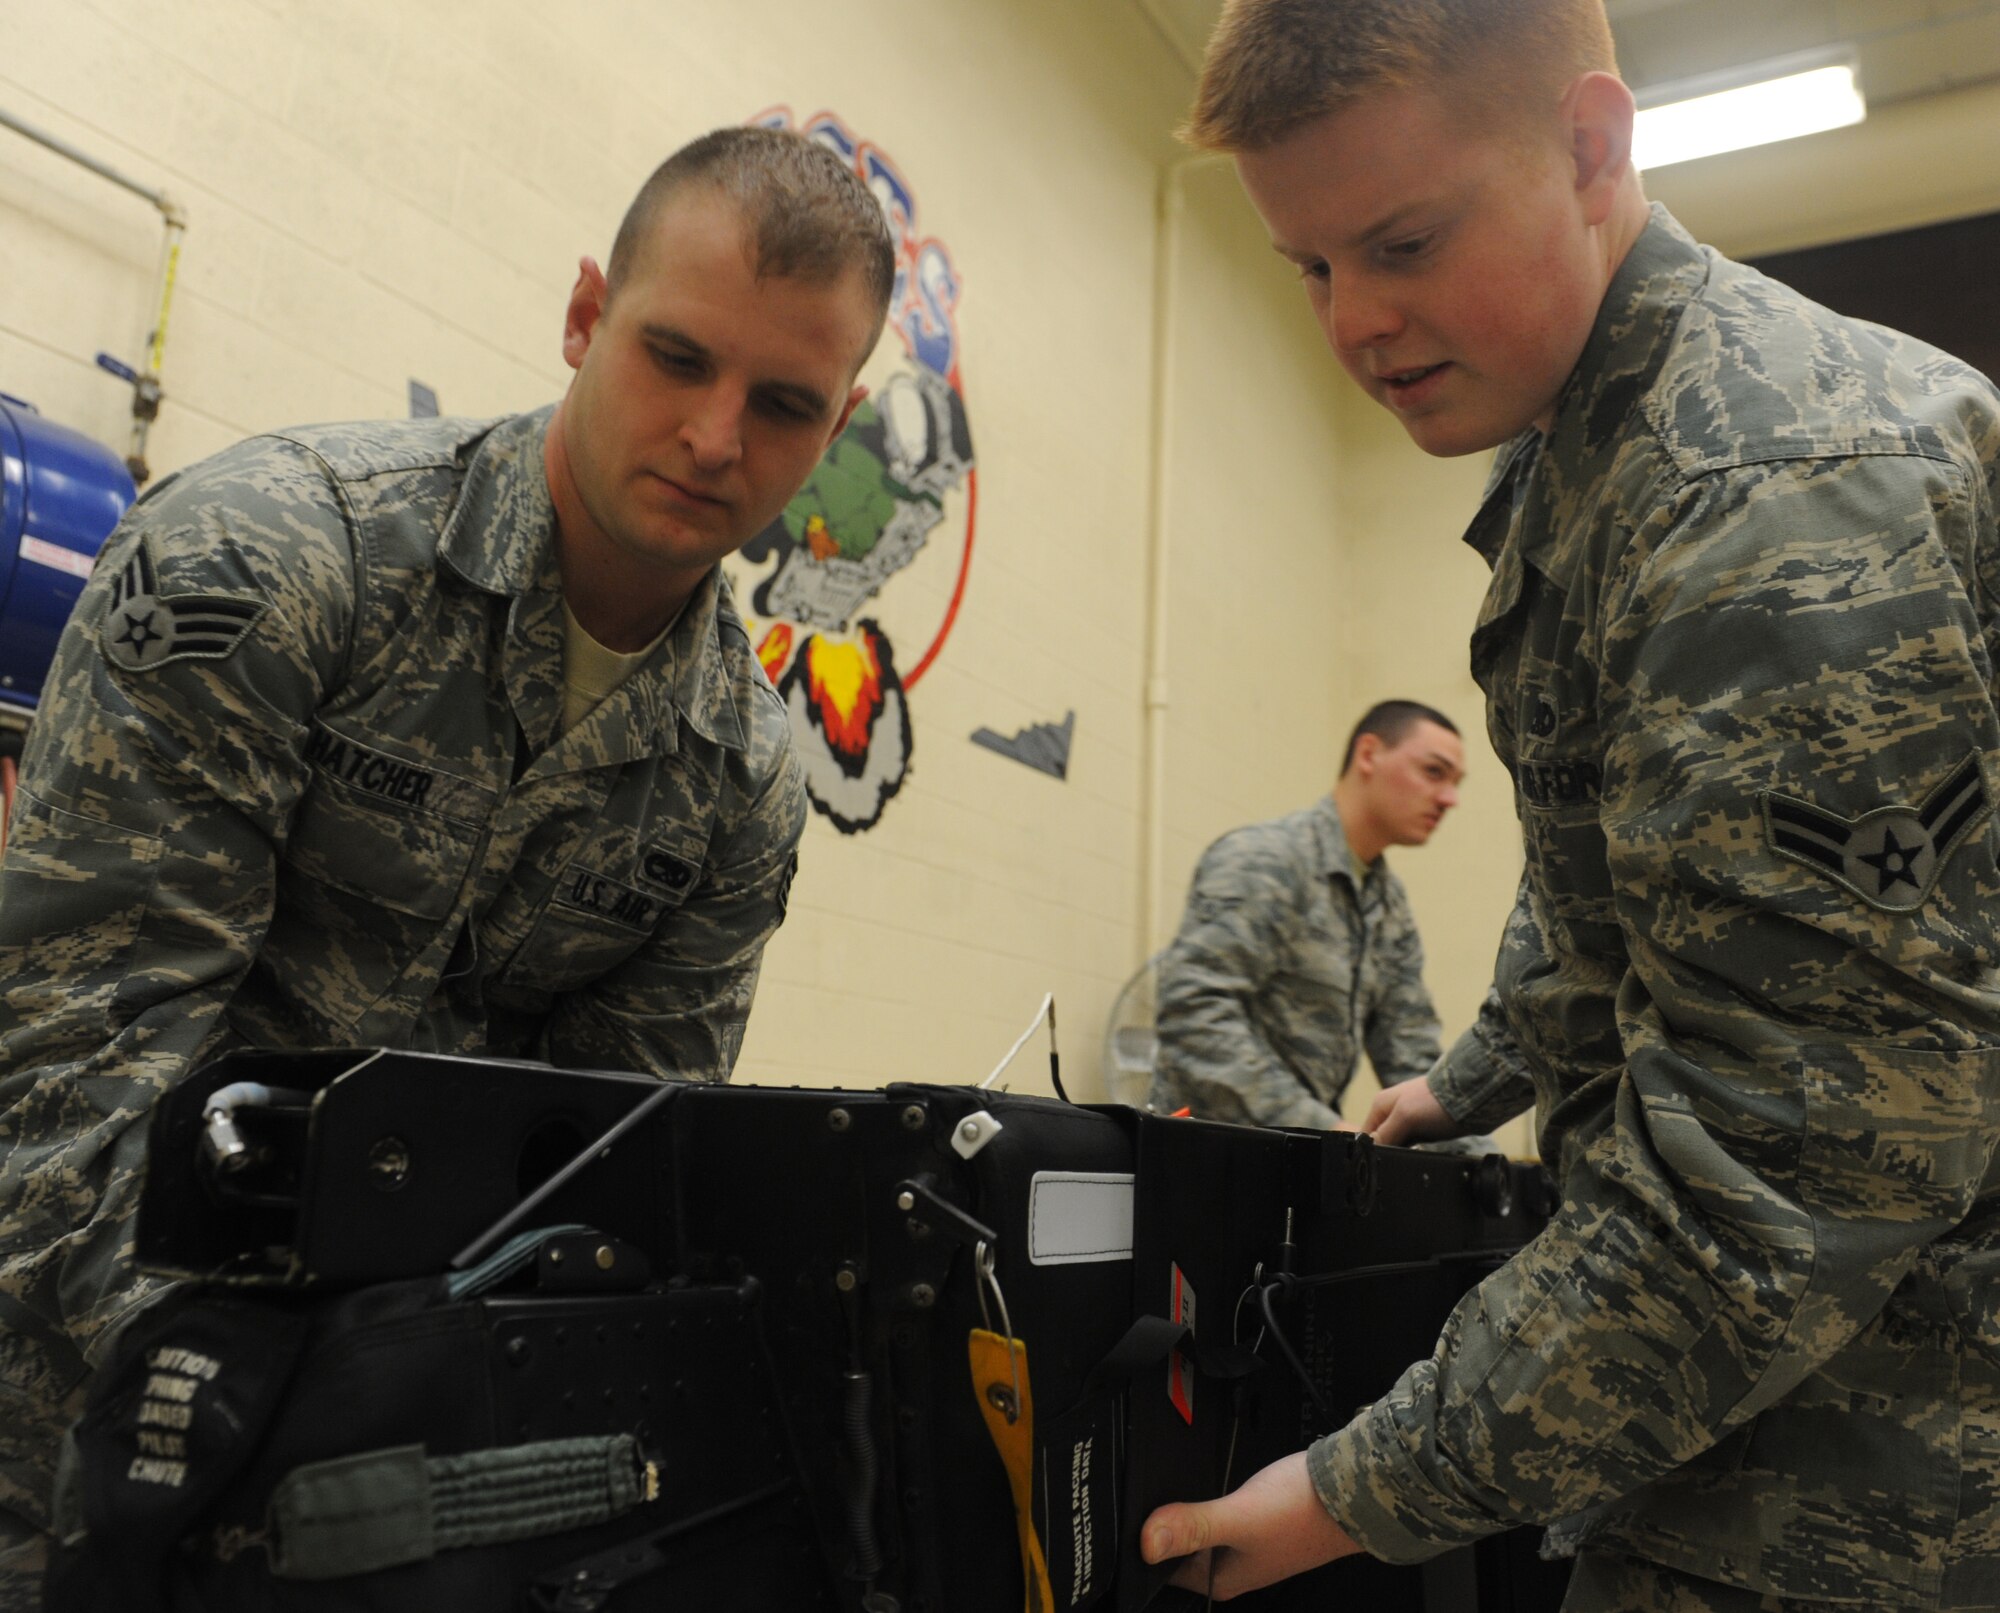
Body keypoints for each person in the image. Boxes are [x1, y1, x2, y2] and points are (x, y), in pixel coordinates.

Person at [1140, 2, 2000, 1609]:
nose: (1355, 322)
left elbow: (1809, 1167)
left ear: (1593, 147)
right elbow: (1615, 856)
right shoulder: (1586, 454)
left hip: (1876, 1498)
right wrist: (1470, 1078)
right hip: (1767, 1443)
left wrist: (1351, 1491)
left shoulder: (1758, 503)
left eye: (1402, 241)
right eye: (1312, 268)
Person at [0, 125, 893, 1605]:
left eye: (785, 404)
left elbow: (604, 1195)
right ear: (586, 313)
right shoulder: (276, 559)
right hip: (64, 1439)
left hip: (404, 1497)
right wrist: (292, 1423)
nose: (718, 437)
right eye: (676, 357)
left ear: (839, 422)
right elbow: (57, 1082)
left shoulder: (739, 785)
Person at [1147, 699, 1465, 1128]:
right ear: (1368, 754)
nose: (1449, 799)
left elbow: (1410, 1051)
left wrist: (1482, 1164)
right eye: (1433, 772)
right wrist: (1325, 1130)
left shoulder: (1388, 903)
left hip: (1300, 1164)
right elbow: (1194, 1014)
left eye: (1455, 782)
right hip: (1207, 1158)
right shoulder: (1265, 859)